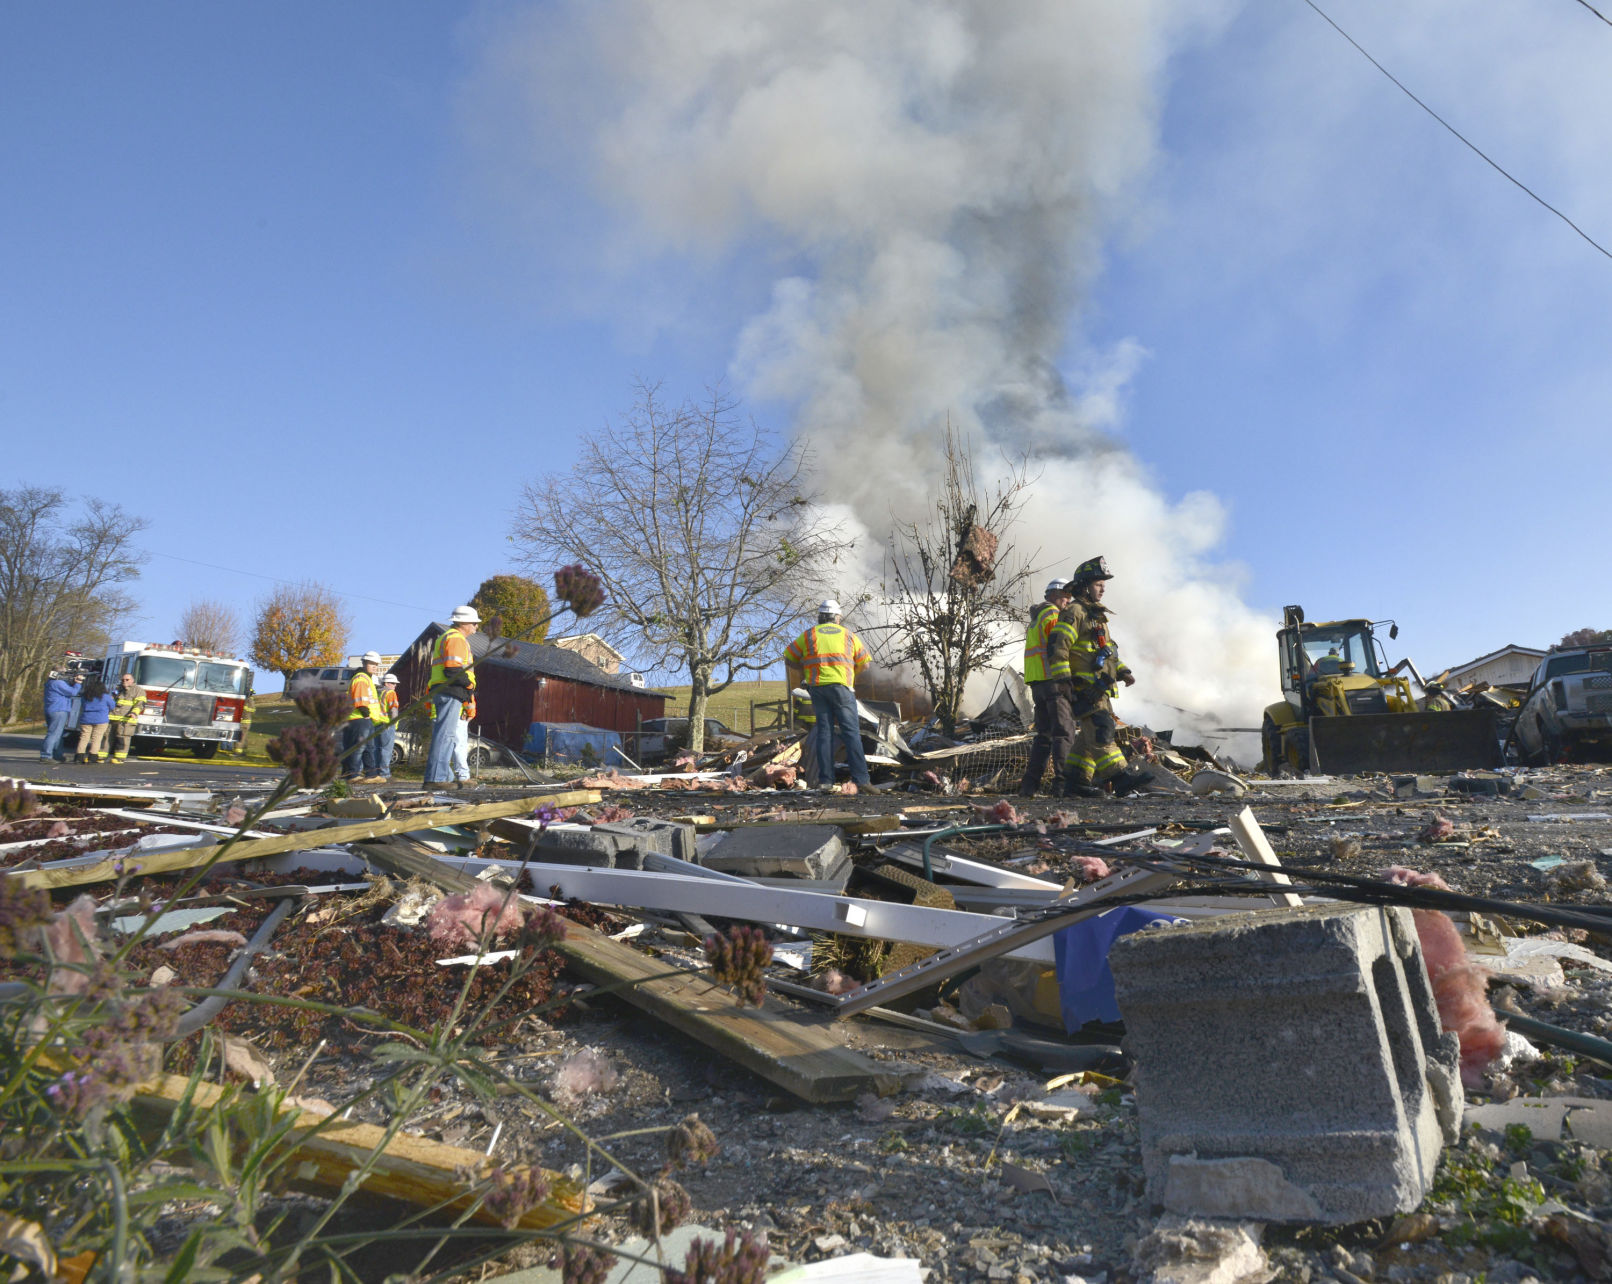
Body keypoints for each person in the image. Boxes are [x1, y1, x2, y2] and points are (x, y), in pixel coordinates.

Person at [1060, 557, 1151, 798]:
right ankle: (1120, 779)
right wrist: (1065, 683)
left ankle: (1074, 784)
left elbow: (1106, 651)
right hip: (1083, 686)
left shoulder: (1096, 615)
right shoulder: (1075, 612)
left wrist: (1123, 671)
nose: (1103, 588)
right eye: (1099, 584)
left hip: (1100, 687)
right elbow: (1059, 648)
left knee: (1089, 738)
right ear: (1084, 586)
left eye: (1103, 584)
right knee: (1102, 730)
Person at [782, 600, 878, 793]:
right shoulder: (848, 635)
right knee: (851, 733)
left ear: (820, 617)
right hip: (842, 689)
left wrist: (806, 673)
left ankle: (825, 781)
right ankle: (862, 780)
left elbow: (789, 658)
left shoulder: (809, 635)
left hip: (817, 688)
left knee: (824, 734)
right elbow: (865, 664)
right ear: (837, 617)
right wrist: (849, 673)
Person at [1018, 579, 1078, 796]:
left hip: (1038, 684)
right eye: (1065, 596)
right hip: (1054, 681)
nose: (1068, 601)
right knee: (1063, 732)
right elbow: (1060, 644)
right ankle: (1063, 785)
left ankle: (1029, 787)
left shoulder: (1036, 618)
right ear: (1052, 595)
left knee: (1044, 737)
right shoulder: (1052, 614)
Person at [425, 606, 480, 789]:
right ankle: (436, 779)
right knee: (445, 735)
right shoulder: (456, 639)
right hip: (450, 691)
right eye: (474, 623)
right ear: (463, 622)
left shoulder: (448, 637)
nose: (476, 627)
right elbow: (453, 669)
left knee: (446, 735)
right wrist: (469, 685)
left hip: (447, 691)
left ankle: (443, 776)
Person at [343, 652, 385, 783]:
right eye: (372, 664)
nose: (375, 667)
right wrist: (366, 714)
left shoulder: (366, 678)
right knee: (359, 747)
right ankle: (353, 775)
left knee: (368, 747)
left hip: (363, 718)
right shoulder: (361, 678)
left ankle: (371, 774)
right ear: (365, 663)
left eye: (376, 664)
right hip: (359, 717)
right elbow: (361, 699)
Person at [40, 669, 83, 763]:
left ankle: (57, 755)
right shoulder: (58, 683)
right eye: (64, 673)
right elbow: (73, 693)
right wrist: (78, 683)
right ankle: (46, 756)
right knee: (54, 734)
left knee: (58, 734)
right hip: (59, 710)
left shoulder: (50, 683)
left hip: (53, 710)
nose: (66, 675)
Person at [74, 677, 116, 764]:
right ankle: (92, 757)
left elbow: (82, 704)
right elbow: (112, 706)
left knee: (84, 737)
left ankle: (79, 756)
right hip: (101, 719)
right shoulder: (105, 697)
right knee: (96, 738)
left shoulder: (85, 696)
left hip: (86, 718)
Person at [107, 672, 147, 764]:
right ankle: (101, 756)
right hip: (112, 718)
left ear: (132, 680)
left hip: (126, 720)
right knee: (106, 737)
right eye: (123, 680)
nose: (124, 681)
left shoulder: (138, 691)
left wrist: (134, 713)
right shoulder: (118, 689)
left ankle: (119, 758)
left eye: (127, 680)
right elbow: (110, 700)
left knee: (123, 738)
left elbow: (140, 704)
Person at [375, 673, 401, 780]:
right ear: (387, 683)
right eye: (393, 683)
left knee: (376, 750)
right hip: (387, 724)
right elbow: (393, 709)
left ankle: (375, 773)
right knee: (386, 750)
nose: (395, 686)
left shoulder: (377, 693)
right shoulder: (390, 693)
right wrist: (394, 723)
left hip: (376, 724)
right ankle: (384, 774)